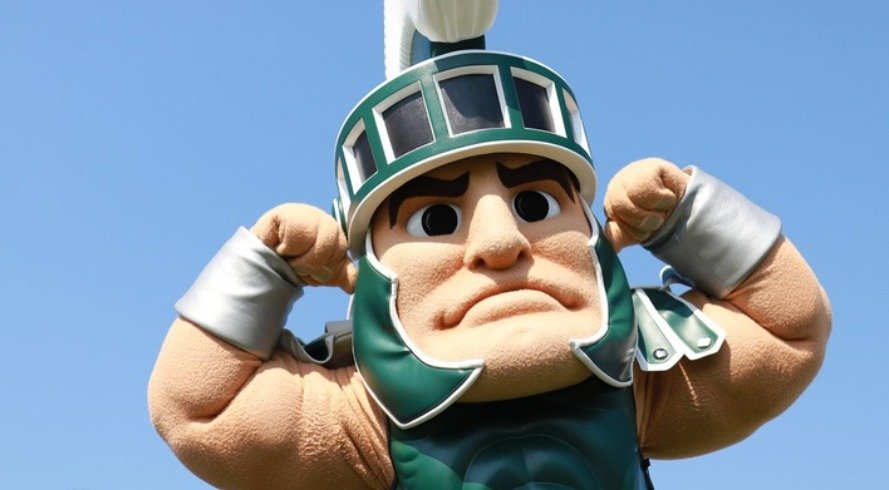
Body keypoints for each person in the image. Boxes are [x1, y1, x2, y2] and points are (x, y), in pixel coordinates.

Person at [149, 2, 831, 488]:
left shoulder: (638, 386)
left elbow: (788, 330)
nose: (501, 243)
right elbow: (199, 413)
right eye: (436, 222)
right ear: (372, 270)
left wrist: (692, 217)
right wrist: (264, 267)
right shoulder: (365, 421)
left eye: (536, 205)